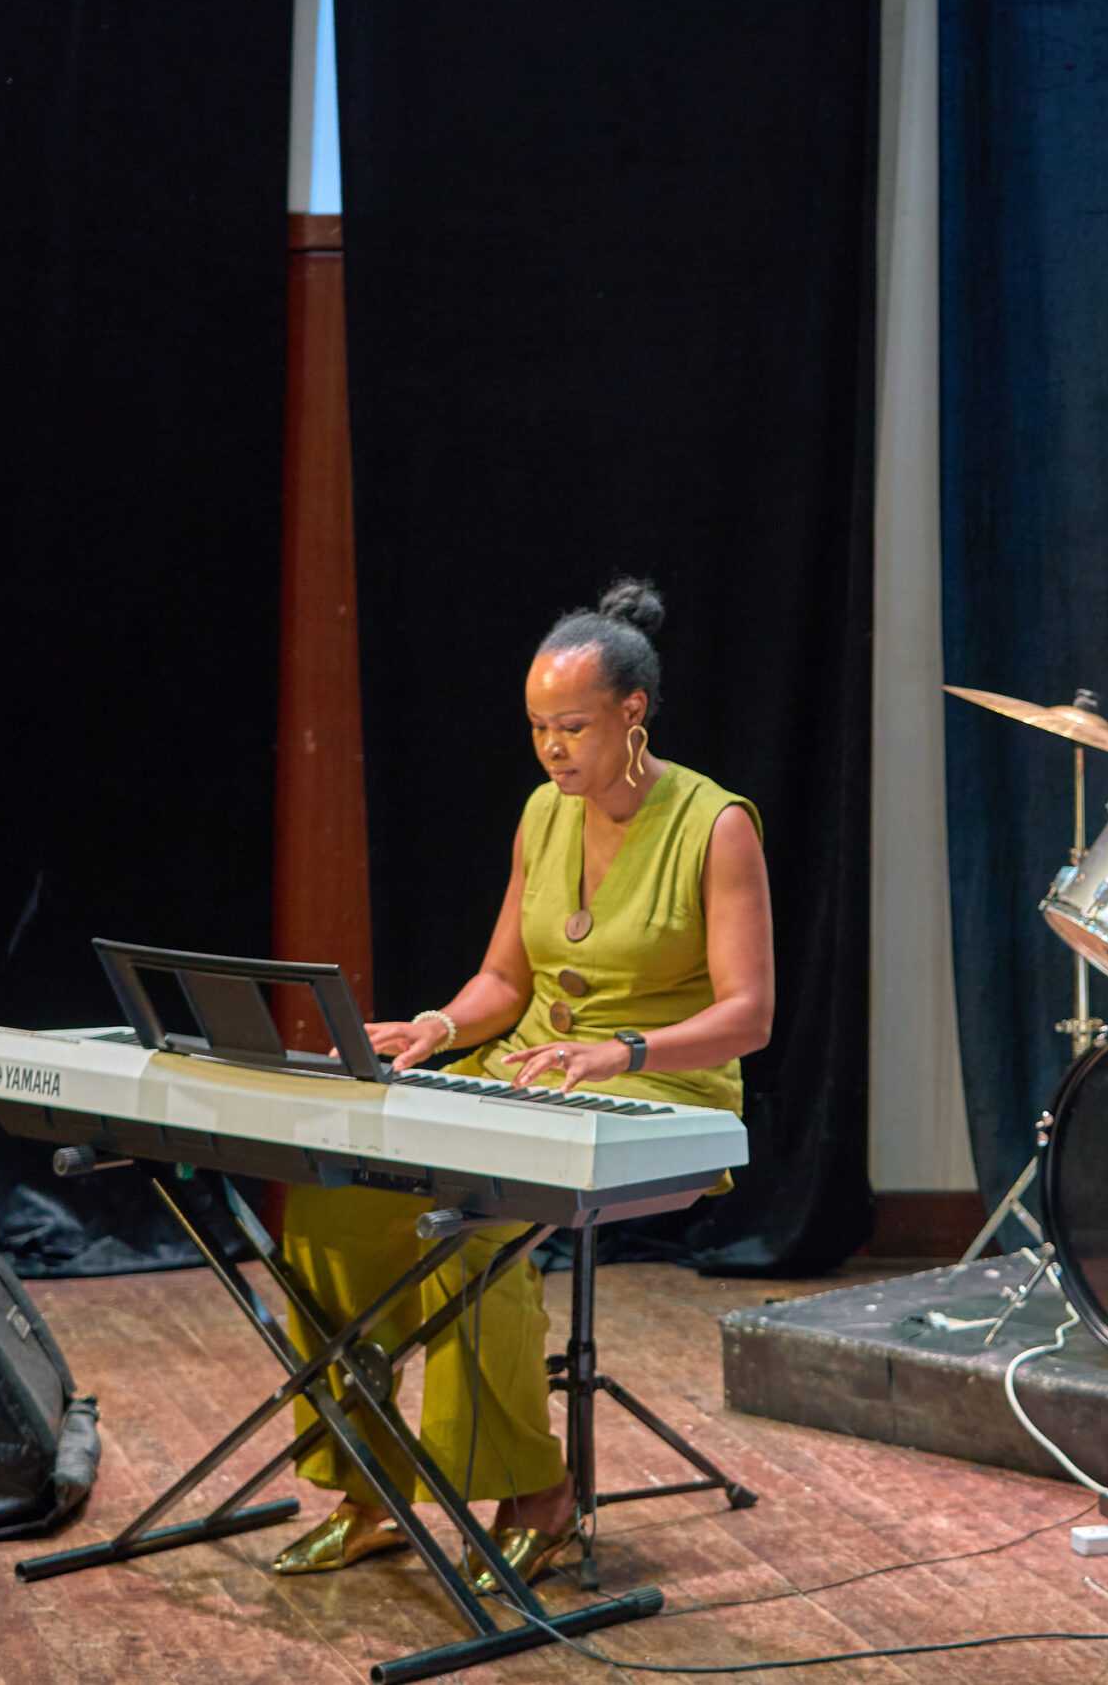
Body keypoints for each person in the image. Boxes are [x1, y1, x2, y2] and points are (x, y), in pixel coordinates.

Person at [270, 577, 774, 1590]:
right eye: (539, 727)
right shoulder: (544, 813)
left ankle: (532, 1494)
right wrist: (439, 1026)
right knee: (329, 1214)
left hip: (663, 1092)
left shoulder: (716, 825)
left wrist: (623, 1051)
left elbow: (749, 1016)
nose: (551, 748)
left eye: (572, 727)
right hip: (531, 1072)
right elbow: (505, 981)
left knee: (468, 1231)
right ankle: (371, 1490)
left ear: (632, 712)